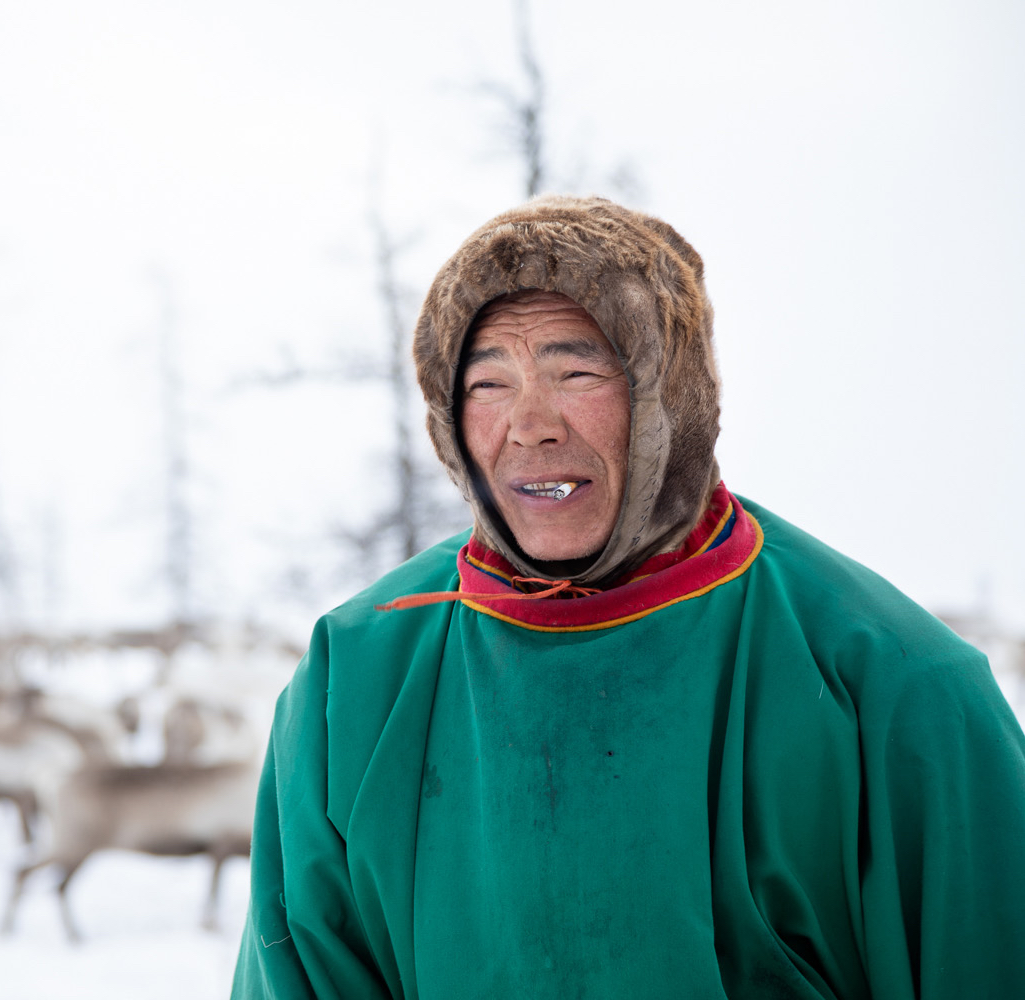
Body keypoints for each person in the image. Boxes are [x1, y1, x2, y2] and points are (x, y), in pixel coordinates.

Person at [230, 195, 1025, 999]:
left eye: (577, 372)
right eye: (488, 382)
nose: (529, 424)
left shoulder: (893, 685)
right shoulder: (355, 678)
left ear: (670, 395)